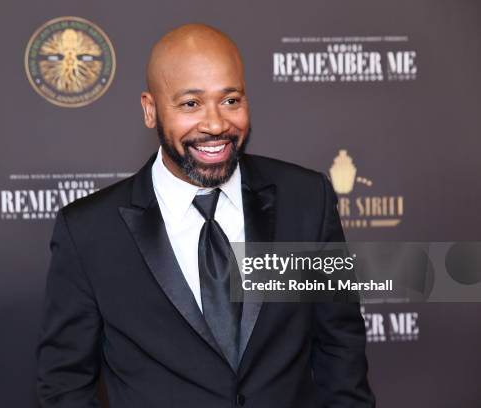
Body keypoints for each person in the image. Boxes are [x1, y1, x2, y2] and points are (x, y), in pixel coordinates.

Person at [36, 23, 375, 407]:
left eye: (231, 100)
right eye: (190, 104)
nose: (216, 125)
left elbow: (340, 351)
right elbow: (65, 384)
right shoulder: (89, 232)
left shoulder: (305, 200)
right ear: (151, 110)